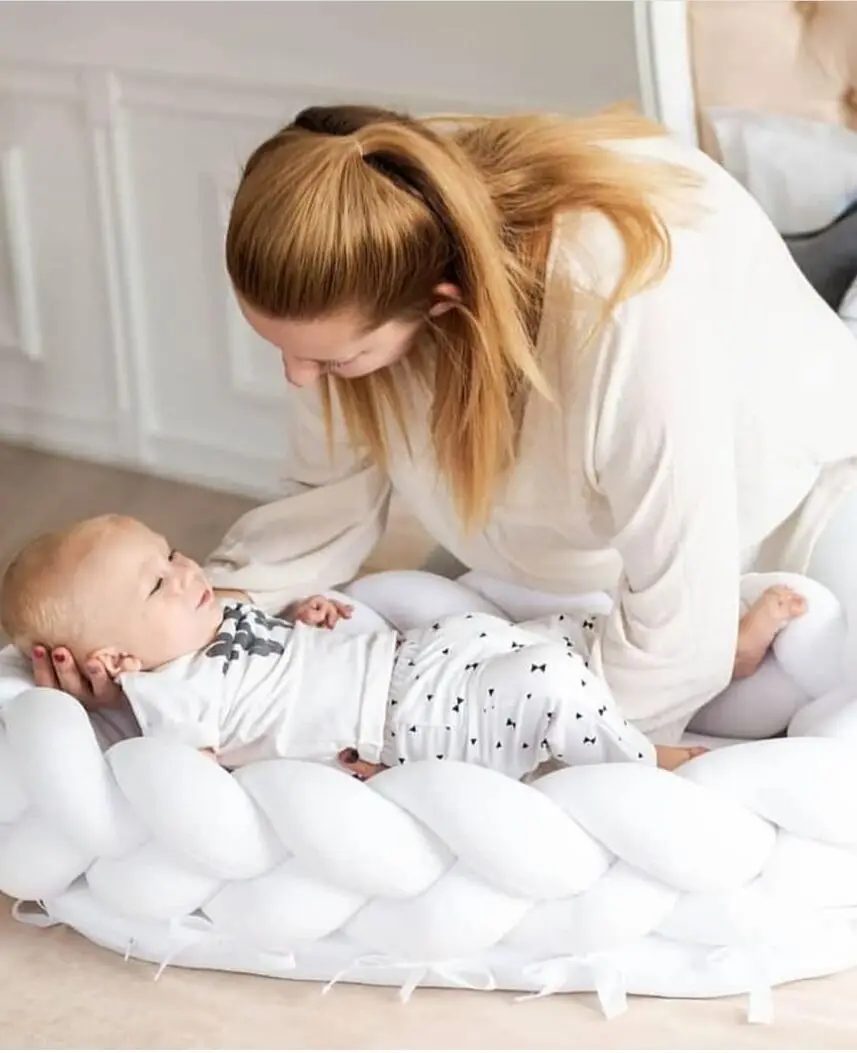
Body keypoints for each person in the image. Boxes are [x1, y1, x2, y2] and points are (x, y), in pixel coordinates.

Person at [28, 105, 857, 742]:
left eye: (332, 359)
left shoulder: (621, 312)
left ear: (441, 304)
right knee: (416, 670)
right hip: (564, 554)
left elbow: (679, 626)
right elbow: (321, 510)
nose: (297, 378)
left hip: (785, 510)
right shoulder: (371, 222)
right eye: (284, 350)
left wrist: (530, 752)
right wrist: (167, 644)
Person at [1, 514, 712, 775]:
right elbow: (200, 782)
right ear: (116, 661)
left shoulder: (216, 615)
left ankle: (703, 656)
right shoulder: (172, 696)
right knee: (544, 678)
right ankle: (646, 763)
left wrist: (302, 613)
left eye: (171, 553)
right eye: (158, 583)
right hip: (402, 724)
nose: (186, 570)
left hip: (411, 656)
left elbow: (274, 651)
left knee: (560, 632)